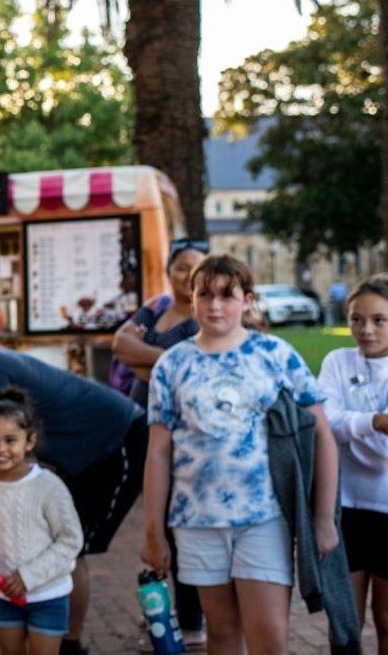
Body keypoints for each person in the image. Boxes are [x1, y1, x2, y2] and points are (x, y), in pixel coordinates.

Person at [0, 313, 146, 655]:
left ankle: (69, 644)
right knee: (60, 544)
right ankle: (50, 633)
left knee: (72, 551)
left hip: (115, 439)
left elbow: (8, 448)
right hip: (77, 453)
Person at [141, 254, 339, 654]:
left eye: (227, 296)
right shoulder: (170, 365)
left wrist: (322, 518)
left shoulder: (275, 354)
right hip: (196, 521)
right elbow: (159, 453)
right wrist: (153, 531)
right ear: (191, 299)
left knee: (269, 637)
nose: (215, 306)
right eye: (205, 295)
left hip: (263, 518)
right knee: (222, 633)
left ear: (247, 300)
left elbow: (322, 434)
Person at [112, 237, 208, 650]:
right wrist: (161, 359)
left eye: (195, 268)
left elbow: (182, 369)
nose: (186, 275)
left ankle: (193, 623)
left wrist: (144, 355)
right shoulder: (155, 307)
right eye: (180, 267)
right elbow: (119, 345)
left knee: (179, 526)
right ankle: (160, 611)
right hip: (144, 428)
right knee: (156, 525)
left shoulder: (205, 317)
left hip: (183, 435)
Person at [0, 387, 83, 655]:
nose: (1, 449)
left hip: (48, 596)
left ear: (29, 442)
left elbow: (71, 540)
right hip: (3, 594)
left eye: (10, 440)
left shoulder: (49, 487)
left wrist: (28, 576)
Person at [319, 273, 388, 652]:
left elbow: (381, 457)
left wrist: (349, 428)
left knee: (387, 618)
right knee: (345, 623)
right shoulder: (336, 362)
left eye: (379, 320)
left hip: (386, 505)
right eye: (357, 319)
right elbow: (324, 424)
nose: (367, 330)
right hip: (345, 508)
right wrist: (376, 422)